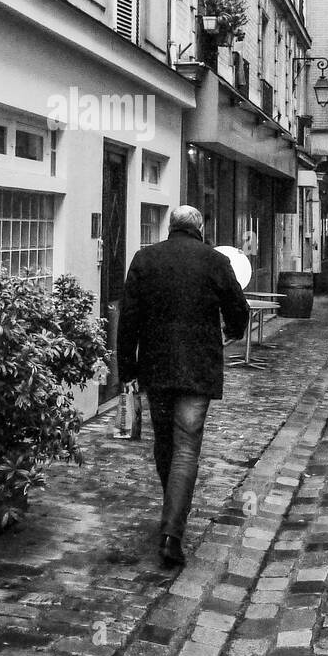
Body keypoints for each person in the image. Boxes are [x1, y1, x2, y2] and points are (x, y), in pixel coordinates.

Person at [117, 205, 249, 568]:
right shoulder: (214, 261)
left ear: (170, 226)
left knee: (165, 441)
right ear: (201, 228)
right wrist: (232, 332)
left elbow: (128, 319)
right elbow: (238, 309)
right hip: (197, 368)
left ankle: (172, 510)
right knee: (186, 448)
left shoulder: (146, 260)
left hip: (156, 368)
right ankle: (172, 534)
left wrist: (126, 370)